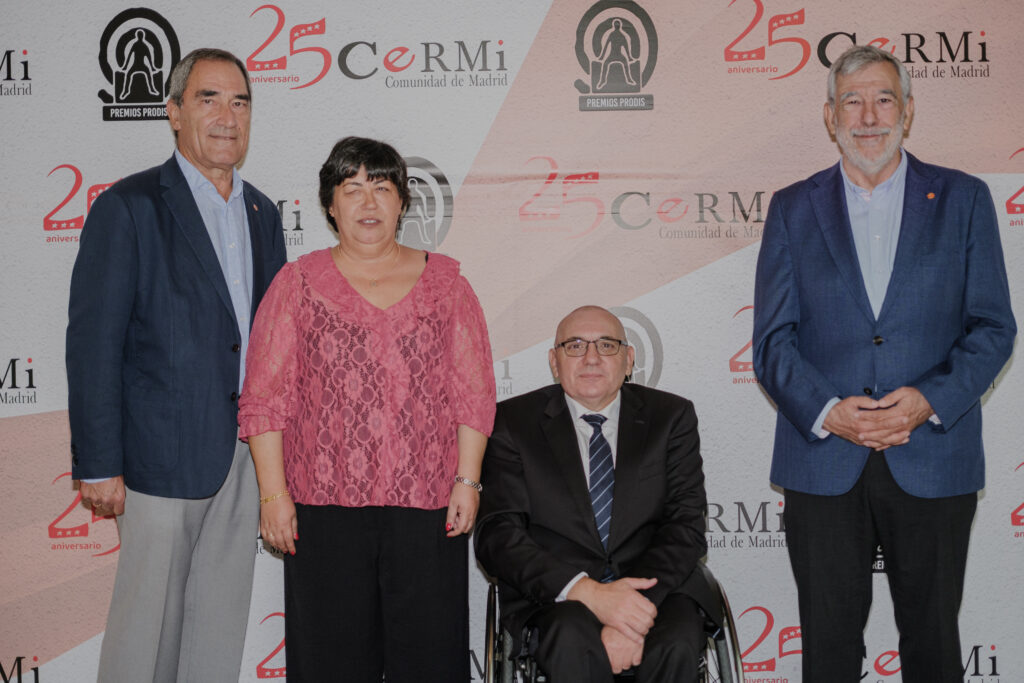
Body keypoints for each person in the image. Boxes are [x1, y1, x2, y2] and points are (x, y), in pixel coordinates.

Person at [752, 44, 1016, 682]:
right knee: (828, 653)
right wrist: (827, 411)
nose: (868, 117)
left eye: (883, 99)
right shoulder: (792, 207)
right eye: (852, 101)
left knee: (933, 646)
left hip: (933, 457)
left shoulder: (964, 198)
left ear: (908, 110)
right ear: (829, 116)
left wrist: (928, 401)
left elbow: (993, 327)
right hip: (823, 463)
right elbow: (772, 341)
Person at [238, 136, 495, 682]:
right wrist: (274, 495)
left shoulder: (447, 285)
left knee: (429, 659)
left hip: (428, 506)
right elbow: (264, 397)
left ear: (402, 201)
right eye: (351, 188)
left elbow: (472, 391)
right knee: (330, 662)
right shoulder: (297, 284)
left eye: (381, 187)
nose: (368, 202)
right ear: (330, 205)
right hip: (322, 507)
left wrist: (467, 481)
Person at [66, 48, 287, 682]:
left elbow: (273, 343)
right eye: (208, 99)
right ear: (173, 112)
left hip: (243, 457)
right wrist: (99, 463)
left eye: (240, 102)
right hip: (157, 459)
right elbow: (94, 342)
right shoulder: (129, 206)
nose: (227, 116)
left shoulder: (263, 213)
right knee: (144, 639)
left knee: (217, 631)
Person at [475, 306, 710, 682]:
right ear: (554, 362)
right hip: (557, 596)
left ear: (628, 359)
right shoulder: (511, 423)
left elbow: (685, 525)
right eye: (574, 346)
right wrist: (587, 592)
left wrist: (629, 613)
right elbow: (498, 536)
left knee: (676, 641)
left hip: (654, 588)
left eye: (606, 345)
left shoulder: (671, 417)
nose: (591, 358)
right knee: (572, 638)